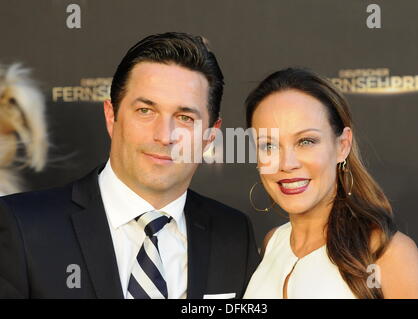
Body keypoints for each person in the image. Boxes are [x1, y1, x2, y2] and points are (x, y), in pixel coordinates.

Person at [0, 32, 260, 299]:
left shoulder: (234, 235)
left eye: (184, 117)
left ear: (209, 137)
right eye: (145, 111)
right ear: (111, 117)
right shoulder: (22, 226)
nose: (164, 135)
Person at [243, 68, 418, 299]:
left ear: (342, 145)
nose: (287, 163)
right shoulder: (272, 243)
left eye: (306, 141)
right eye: (269, 146)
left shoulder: (388, 253)